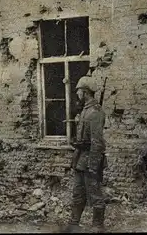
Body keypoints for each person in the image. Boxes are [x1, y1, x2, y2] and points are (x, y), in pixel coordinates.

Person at [65, 76, 107, 232]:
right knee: (78, 192)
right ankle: (74, 223)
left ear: (85, 92)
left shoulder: (95, 112)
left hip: (90, 159)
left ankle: (98, 225)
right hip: (81, 159)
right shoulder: (85, 110)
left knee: (94, 193)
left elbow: (97, 142)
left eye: (79, 91)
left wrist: (94, 165)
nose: (77, 94)